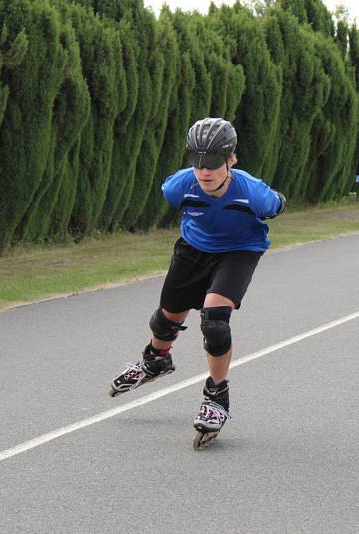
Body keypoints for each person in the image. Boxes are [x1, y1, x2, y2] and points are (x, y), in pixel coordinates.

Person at [108, 117, 285, 443]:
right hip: (193, 249)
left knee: (214, 321)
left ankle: (217, 396)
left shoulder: (253, 195)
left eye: (214, 163)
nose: (205, 172)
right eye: (198, 162)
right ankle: (155, 360)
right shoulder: (178, 186)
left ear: (231, 159)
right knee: (165, 319)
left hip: (239, 251)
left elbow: (277, 204)